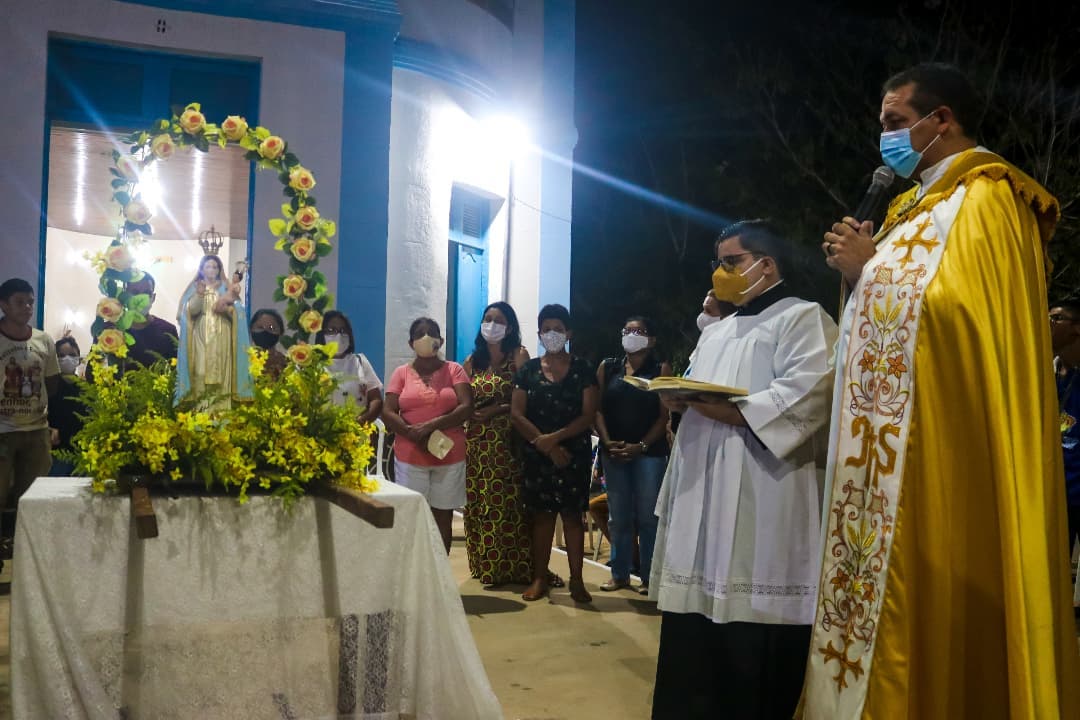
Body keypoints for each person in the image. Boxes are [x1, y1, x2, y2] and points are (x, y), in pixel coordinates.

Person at [803, 63, 1080, 718]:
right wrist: (858, 279)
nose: (887, 140)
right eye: (884, 126)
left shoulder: (988, 199)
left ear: (942, 119)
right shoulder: (911, 206)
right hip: (887, 459)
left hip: (940, 453)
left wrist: (870, 272)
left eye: (897, 123)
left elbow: (968, 322)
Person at [650, 220, 837, 720]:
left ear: (766, 264)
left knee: (750, 643)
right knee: (694, 638)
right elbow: (691, 386)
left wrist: (717, 407)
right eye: (719, 263)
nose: (722, 273)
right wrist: (675, 396)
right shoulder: (718, 330)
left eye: (732, 262)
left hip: (764, 487)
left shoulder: (802, 319)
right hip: (703, 492)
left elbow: (806, 398)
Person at [510, 304, 598, 603]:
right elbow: (517, 414)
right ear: (538, 333)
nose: (552, 334)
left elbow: (588, 415)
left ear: (568, 333)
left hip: (573, 453)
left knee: (573, 517)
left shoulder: (583, 369)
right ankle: (540, 578)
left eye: (558, 329)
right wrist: (544, 444)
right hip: (537, 453)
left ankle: (577, 580)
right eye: (546, 329)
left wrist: (556, 440)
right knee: (542, 517)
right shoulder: (528, 370)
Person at [383, 317, 473, 553]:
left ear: (440, 341)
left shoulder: (454, 370)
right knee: (413, 515)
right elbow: (388, 410)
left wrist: (430, 427)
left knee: (443, 517)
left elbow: (466, 407)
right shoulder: (401, 373)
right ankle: (416, 578)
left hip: (449, 454)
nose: (425, 338)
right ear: (410, 343)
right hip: (410, 455)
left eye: (431, 333)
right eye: (419, 334)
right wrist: (412, 433)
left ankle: (440, 579)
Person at [595, 315, 671, 595]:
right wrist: (606, 441)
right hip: (613, 452)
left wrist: (641, 446)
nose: (631, 334)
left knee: (648, 517)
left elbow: (664, 416)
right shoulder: (609, 367)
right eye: (627, 330)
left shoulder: (659, 368)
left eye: (638, 331)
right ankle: (620, 574)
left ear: (651, 339)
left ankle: (650, 577)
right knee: (619, 517)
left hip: (648, 454)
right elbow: (597, 409)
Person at [462, 301, 534, 586]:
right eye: (487, 318)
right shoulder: (472, 361)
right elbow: (460, 399)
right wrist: (471, 412)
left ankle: (512, 567)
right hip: (477, 443)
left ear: (510, 326)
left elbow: (529, 399)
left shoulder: (519, 356)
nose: (492, 324)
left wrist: (498, 409)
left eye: (499, 319)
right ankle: (485, 565)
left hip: (507, 440)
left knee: (507, 503)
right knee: (479, 502)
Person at [0, 279, 60, 564]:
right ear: (4, 305)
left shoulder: (43, 340)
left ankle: (26, 554)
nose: (26, 308)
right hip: (2, 431)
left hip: (36, 429)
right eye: (19, 302)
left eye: (30, 302)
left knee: (33, 495)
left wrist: (51, 420)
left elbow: (53, 382)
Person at [175, 255, 251, 407]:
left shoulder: (226, 287)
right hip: (201, 334)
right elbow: (190, 311)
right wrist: (199, 295)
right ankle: (201, 412)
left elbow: (239, 312)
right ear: (202, 270)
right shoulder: (196, 287)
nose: (211, 270)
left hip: (222, 334)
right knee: (200, 370)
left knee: (223, 372)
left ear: (219, 269)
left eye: (215, 267)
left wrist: (228, 310)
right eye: (208, 266)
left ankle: (221, 413)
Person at [84, 272, 177, 383]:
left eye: (147, 293)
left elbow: (177, 376)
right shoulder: (109, 331)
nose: (141, 298)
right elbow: (91, 375)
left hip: (156, 397)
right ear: (125, 295)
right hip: (116, 398)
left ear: (153, 297)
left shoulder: (167, 331)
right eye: (135, 293)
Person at [316, 310, 383, 425]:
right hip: (321, 434)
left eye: (343, 330)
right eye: (332, 330)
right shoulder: (314, 365)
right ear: (322, 334)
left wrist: (362, 420)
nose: (338, 335)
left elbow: (376, 399)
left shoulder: (360, 361)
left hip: (356, 434)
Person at [1051, 300, 1080, 564]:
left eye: (1056, 319)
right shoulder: (1046, 372)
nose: (1049, 324)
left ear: (1076, 328)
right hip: (1057, 494)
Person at [48, 336, 83, 475]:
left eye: (72, 355)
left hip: (82, 454)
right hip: (57, 453)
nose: (67, 359)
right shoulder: (48, 387)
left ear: (79, 358)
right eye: (61, 355)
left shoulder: (86, 388)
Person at [249, 308, 288, 380]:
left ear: (281, 333)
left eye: (271, 328)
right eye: (260, 327)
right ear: (251, 330)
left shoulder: (286, 364)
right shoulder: (245, 361)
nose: (265, 331)